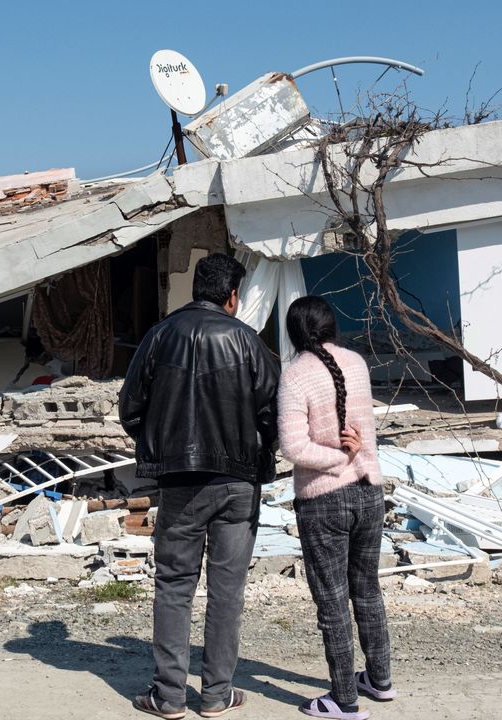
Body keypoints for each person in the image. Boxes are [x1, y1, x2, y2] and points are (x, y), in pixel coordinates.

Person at [119, 253, 280, 719]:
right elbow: (274, 414)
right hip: (237, 482)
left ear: (197, 291)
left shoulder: (158, 336)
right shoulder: (247, 341)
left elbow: (130, 409)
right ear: (232, 297)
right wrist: (260, 454)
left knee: (174, 585)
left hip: (181, 483)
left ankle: (168, 697)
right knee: (227, 590)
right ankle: (215, 695)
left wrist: (164, 445)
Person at [276, 296, 394, 720]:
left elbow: (293, 447)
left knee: (332, 601)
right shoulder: (358, 364)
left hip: (325, 498)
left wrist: (335, 459)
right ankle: (379, 679)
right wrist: (353, 458)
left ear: (294, 332)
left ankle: (343, 700)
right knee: (367, 590)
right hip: (369, 490)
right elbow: (365, 432)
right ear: (330, 326)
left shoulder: (294, 375)